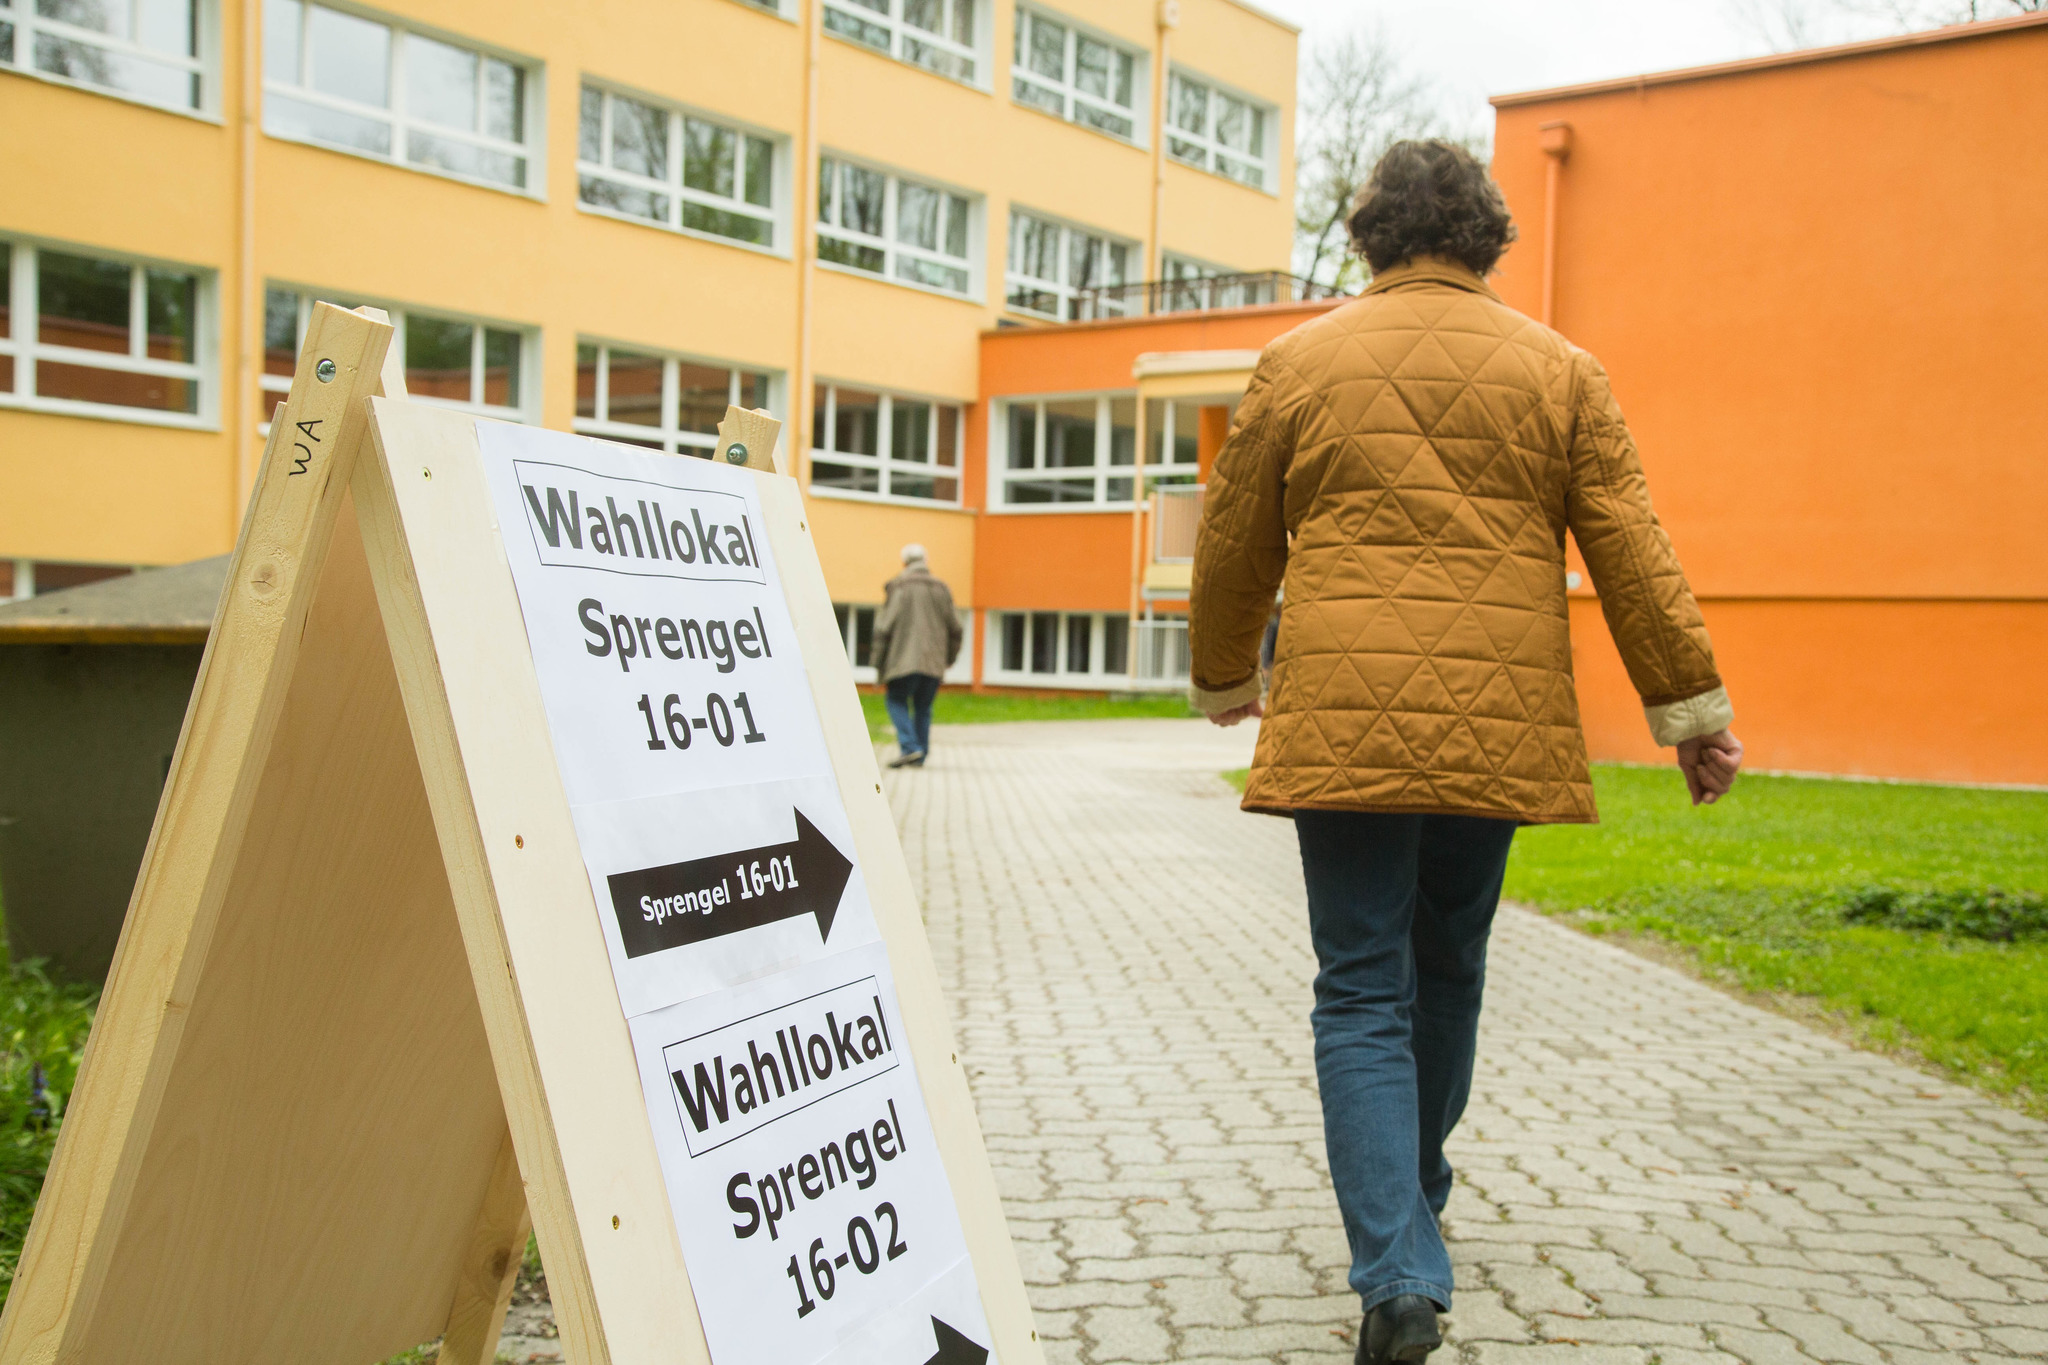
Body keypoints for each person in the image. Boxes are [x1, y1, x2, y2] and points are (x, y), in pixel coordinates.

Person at [1187, 139, 1744, 1365]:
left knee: (1357, 984)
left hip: (1341, 716)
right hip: (1494, 718)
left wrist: (1226, 672)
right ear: (1487, 234)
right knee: (1445, 964)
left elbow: (1232, 539)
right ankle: (1411, 1209)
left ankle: (1396, 1264)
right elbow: (1630, 547)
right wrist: (1691, 712)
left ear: (1370, 233)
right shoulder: (1559, 371)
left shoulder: (1298, 361)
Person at [872, 543, 961, 769]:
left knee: (895, 700)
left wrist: (878, 664)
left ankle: (910, 748)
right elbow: (956, 629)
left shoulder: (899, 586)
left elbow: (883, 628)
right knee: (923, 707)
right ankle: (918, 755)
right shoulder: (942, 588)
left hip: (902, 661)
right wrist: (947, 659)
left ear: (904, 563)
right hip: (933, 662)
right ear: (925, 561)